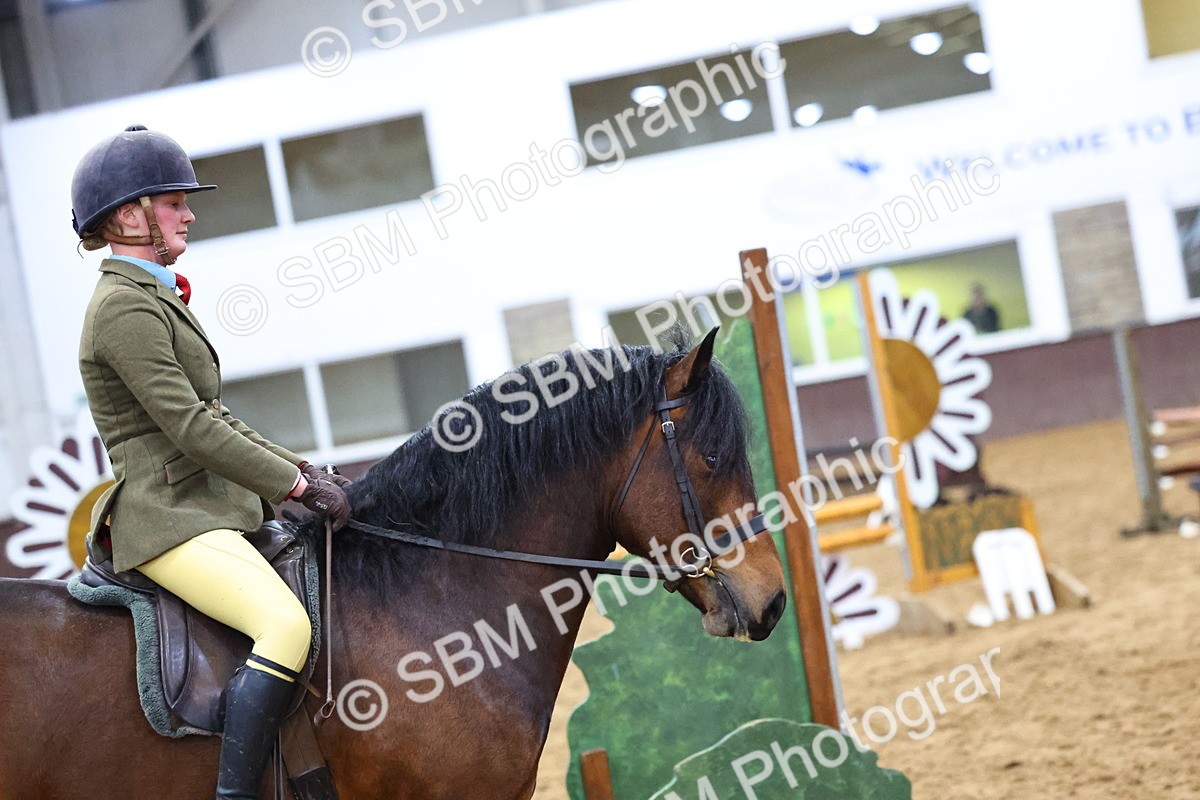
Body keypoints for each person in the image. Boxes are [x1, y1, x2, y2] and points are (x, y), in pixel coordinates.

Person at [73, 125, 352, 799]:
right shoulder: (120, 309)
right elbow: (191, 428)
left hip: (208, 505)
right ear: (125, 217)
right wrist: (292, 485)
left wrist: (306, 474)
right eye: (173, 202)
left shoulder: (154, 295)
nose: (189, 213)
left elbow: (216, 415)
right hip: (167, 516)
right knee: (285, 625)